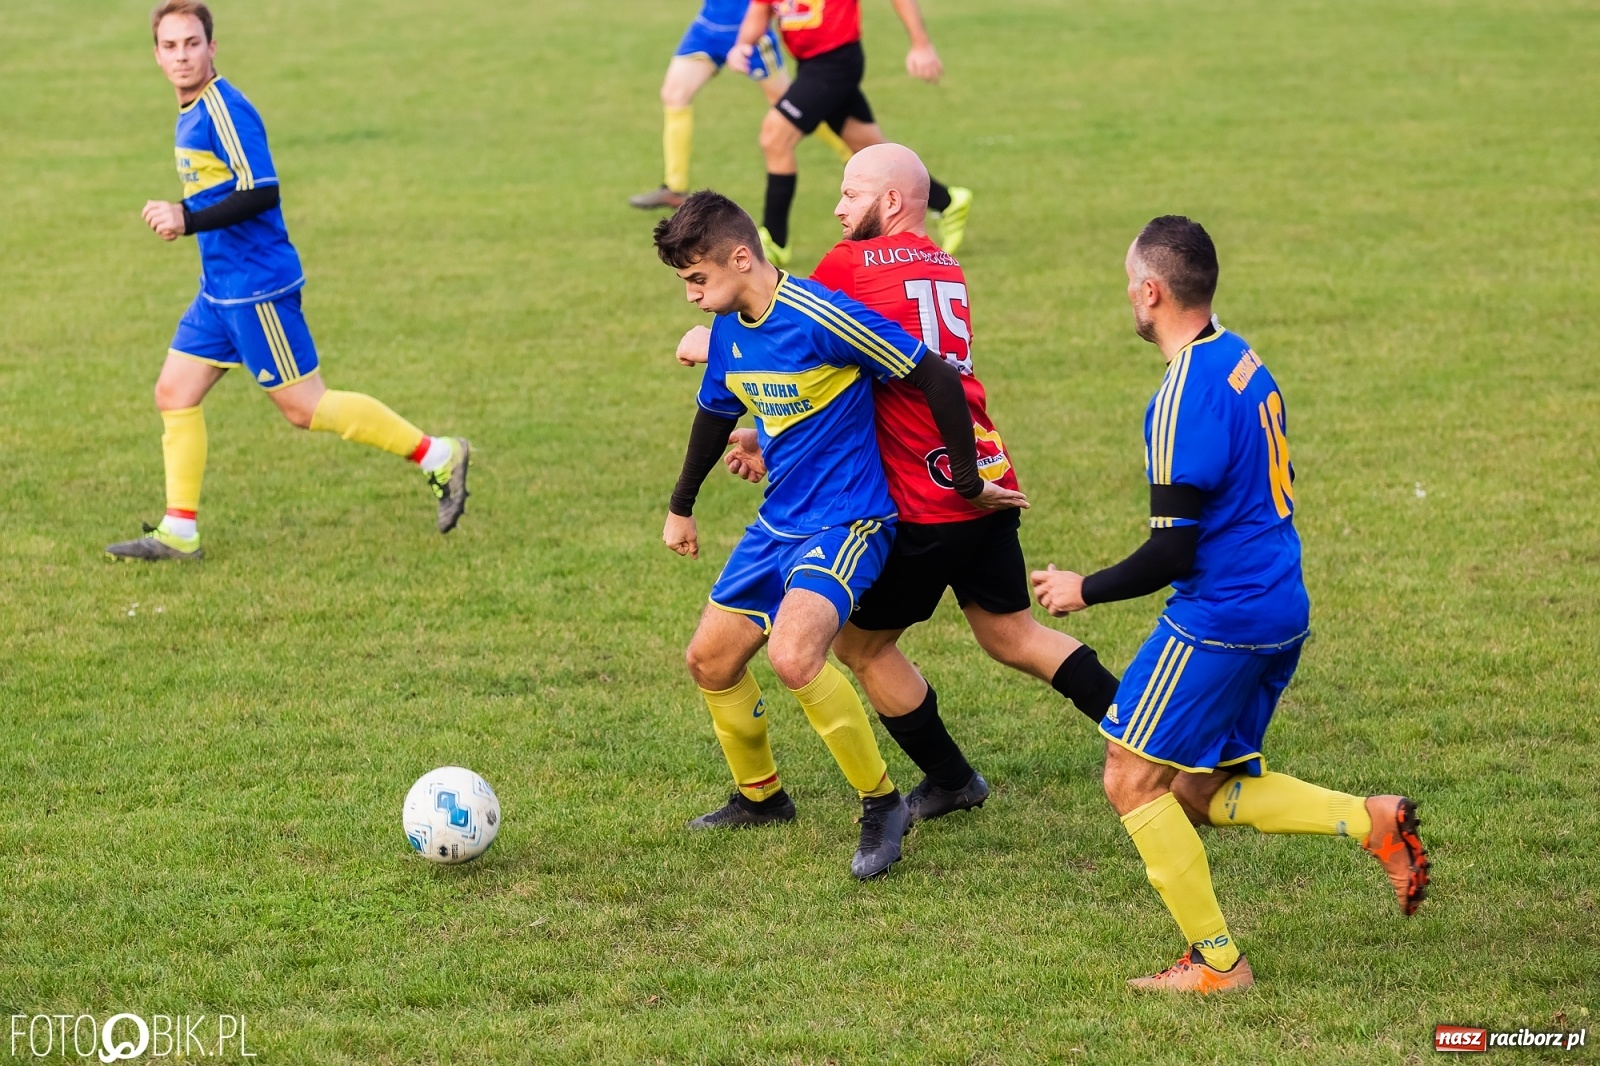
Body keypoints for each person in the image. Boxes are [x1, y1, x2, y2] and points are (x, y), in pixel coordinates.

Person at [1031, 216, 1430, 993]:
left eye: (1128, 285)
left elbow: (1171, 555)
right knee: (1199, 790)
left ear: (1151, 291)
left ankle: (1216, 964)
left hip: (1223, 617)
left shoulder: (1180, 400)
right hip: (1281, 602)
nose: (1128, 299)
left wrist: (1084, 588)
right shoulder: (1240, 355)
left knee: (1129, 777)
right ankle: (1370, 820)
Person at [677, 145, 1121, 825]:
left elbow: (788, 320)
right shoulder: (945, 264)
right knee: (1013, 636)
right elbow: (840, 372)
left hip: (920, 490)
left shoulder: (848, 266)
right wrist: (766, 437)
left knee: (860, 647)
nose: (838, 209)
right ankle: (1154, 739)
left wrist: (706, 342)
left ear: (889, 202)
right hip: (984, 468)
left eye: (850, 195)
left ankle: (944, 779)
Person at [655, 191, 1021, 878]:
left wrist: (967, 483)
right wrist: (682, 506)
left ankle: (880, 804)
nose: (692, 297)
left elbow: (933, 374)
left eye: (697, 279)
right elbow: (713, 413)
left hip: (850, 521)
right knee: (709, 661)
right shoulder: (733, 327)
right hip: (778, 521)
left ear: (741, 258)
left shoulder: (822, 315)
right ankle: (761, 800)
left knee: (796, 656)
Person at [107, 1, 469, 562]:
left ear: (212, 48)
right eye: (171, 46)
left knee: (304, 407)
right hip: (219, 289)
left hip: (258, 288)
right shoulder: (191, 110)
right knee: (174, 392)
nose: (182, 56)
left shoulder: (224, 108)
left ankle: (437, 453)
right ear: (156, 55)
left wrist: (187, 216)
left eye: (192, 44)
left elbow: (262, 190)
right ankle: (179, 530)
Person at [725, 0, 972, 266]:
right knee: (869, 147)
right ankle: (947, 201)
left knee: (775, 136)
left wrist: (921, 44)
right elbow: (761, 8)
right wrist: (743, 44)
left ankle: (775, 240)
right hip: (810, 65)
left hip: (836, 62)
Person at [630, 1, 853, 210]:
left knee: (790, 105)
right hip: (707, 28)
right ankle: (675, 187)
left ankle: (851, 155)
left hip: (751, 31)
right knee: (674, 95)